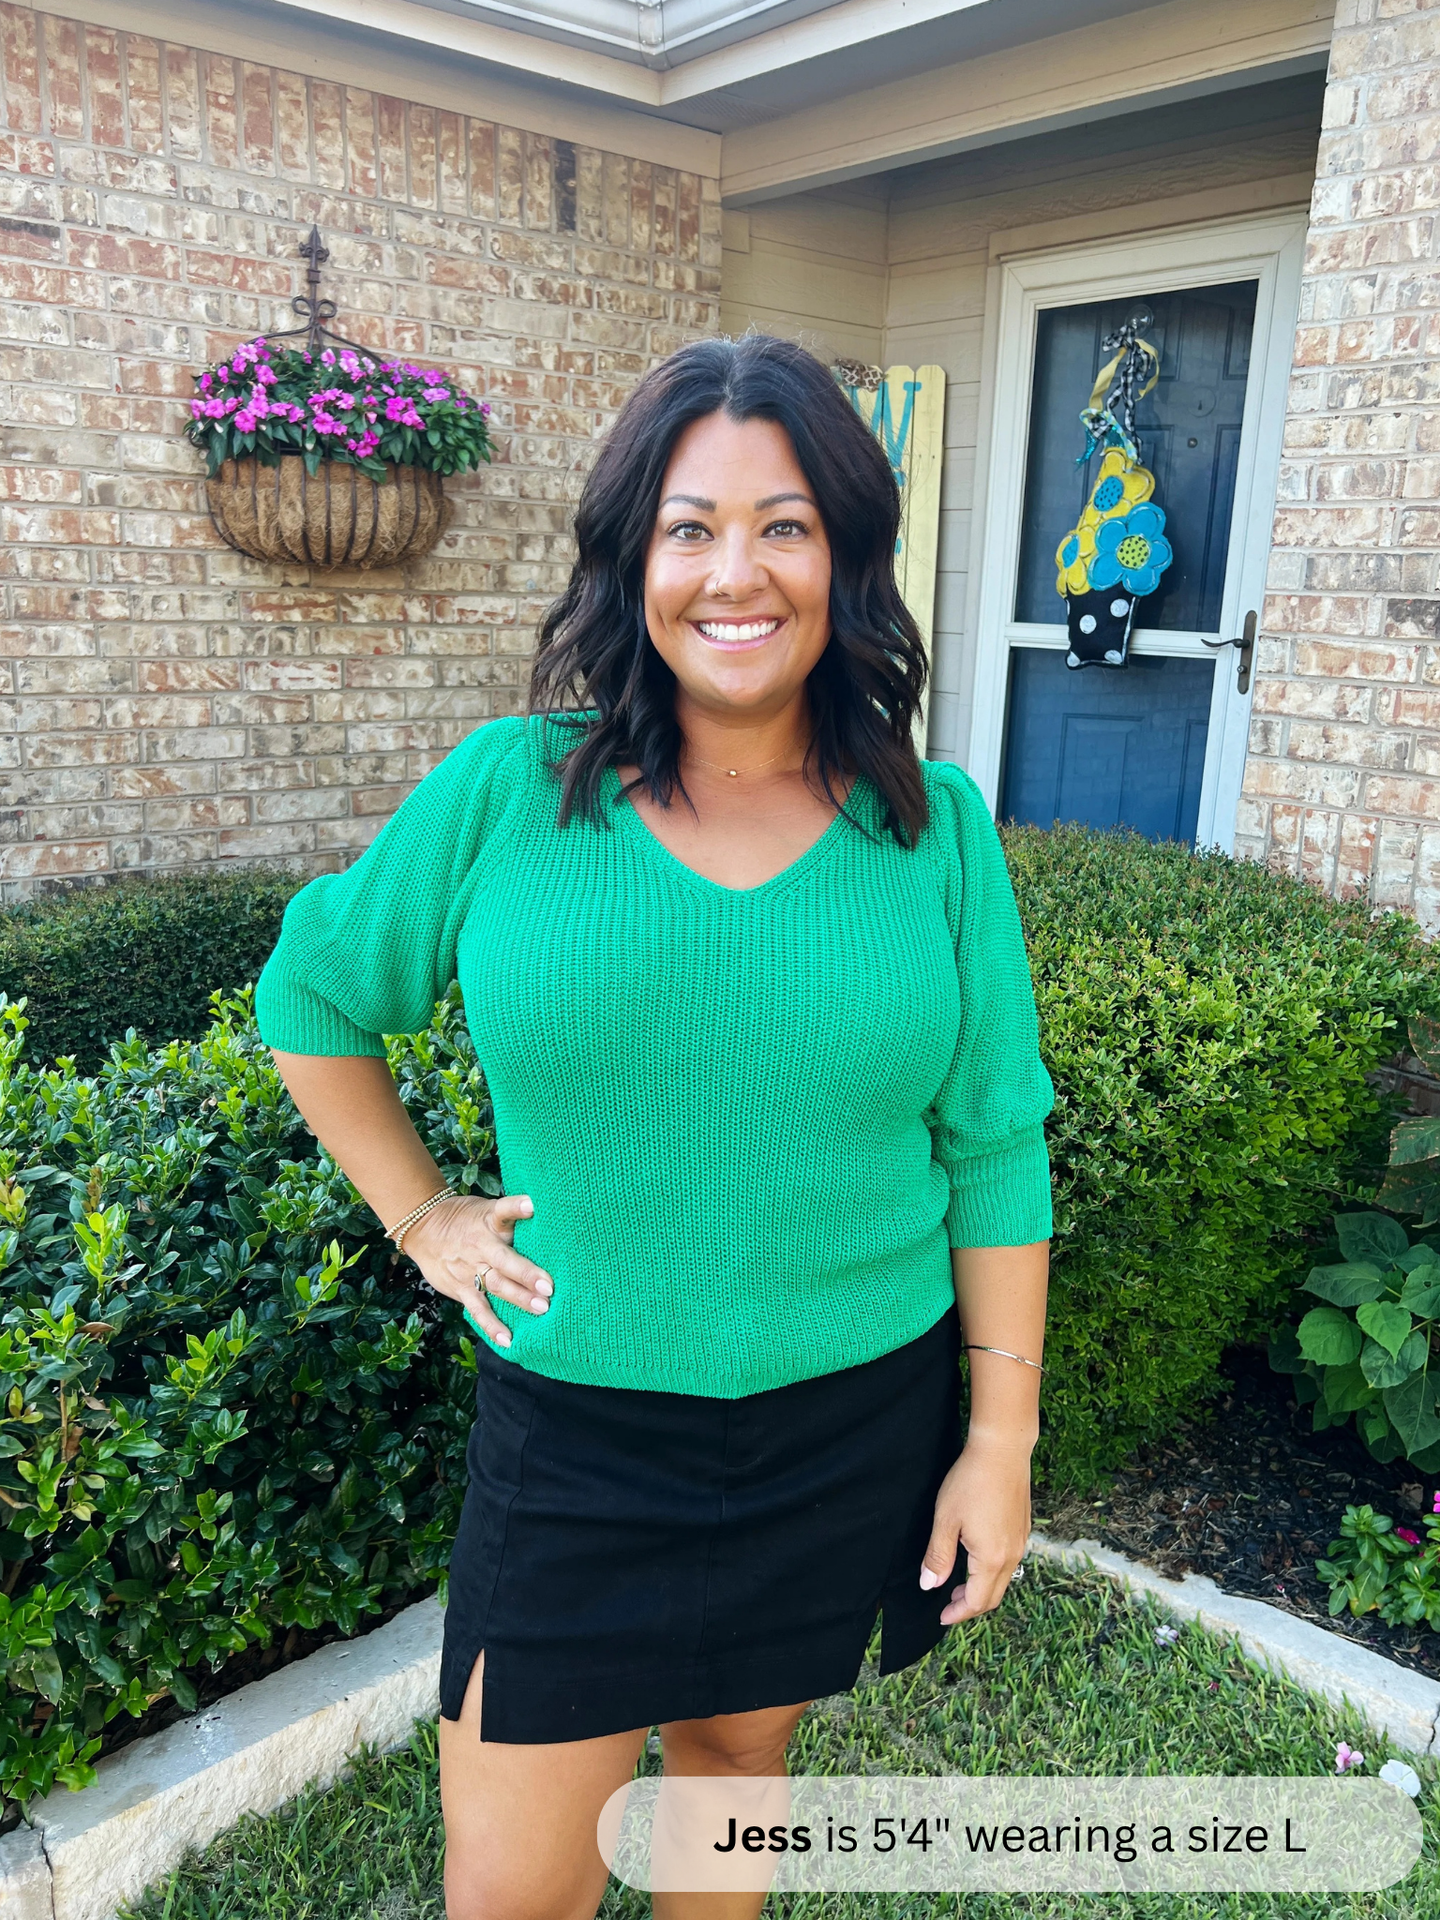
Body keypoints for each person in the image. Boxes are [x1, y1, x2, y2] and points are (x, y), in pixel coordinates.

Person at [255, 332, 1054, 1920]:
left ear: (846, 556)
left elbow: (993, 1141)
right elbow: (316, 997)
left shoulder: (934, 832)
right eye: (690, 526)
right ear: (634, 557)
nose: (733, 571)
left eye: (784, 524)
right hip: (579, 1445)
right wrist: (422, 1216)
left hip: (849, 1427)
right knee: (511, 1896)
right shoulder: (511, 796)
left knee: (737, 1772)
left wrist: (1001, 1439)